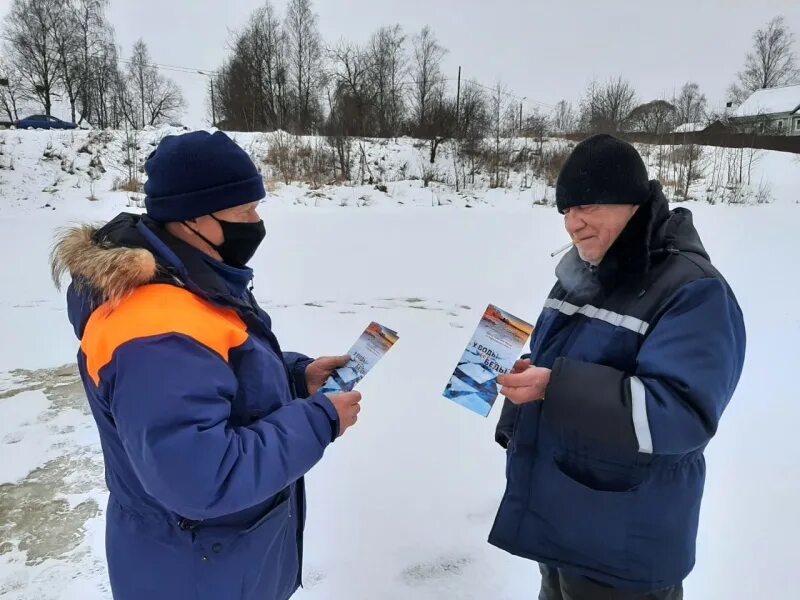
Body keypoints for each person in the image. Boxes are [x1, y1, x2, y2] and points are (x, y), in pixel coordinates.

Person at [50, 130, 362, 600]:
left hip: (225, 560)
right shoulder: (152, 332)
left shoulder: (188, 276)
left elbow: (218, 370)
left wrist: (296, 376)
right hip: (191, 572)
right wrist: (320, 420)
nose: (256, 223)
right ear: (192, 217)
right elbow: (202, 479)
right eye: (243, 213)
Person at [489, 134, 746, 599]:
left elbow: (681, 416)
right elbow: (559, 368)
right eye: (565, 210)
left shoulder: (693, 291)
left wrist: (554, 387)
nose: (572, 224)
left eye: (586, 206)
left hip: (625, 548)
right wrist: (528, 380)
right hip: (563, 525)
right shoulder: (579, 275)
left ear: (631, 203)